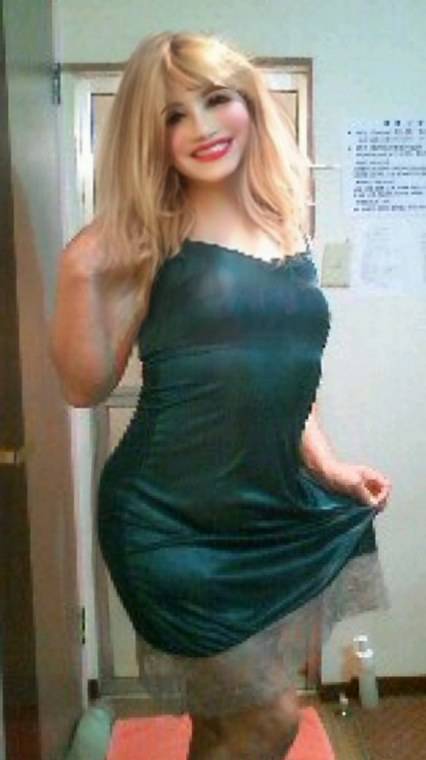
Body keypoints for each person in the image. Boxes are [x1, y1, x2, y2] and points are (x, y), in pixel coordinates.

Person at [50, 31, 391, 760]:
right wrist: (79, 271)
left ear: (250, 104)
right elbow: (85, 385)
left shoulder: (285, 225)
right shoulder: (150, 236)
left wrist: (328, 464)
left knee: (226, 721)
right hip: (168, 521)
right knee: (267, 718)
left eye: (216, 100)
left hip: (264, 510)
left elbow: (288, 370)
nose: (201, 127)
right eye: (175, 115)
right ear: (151, 134)